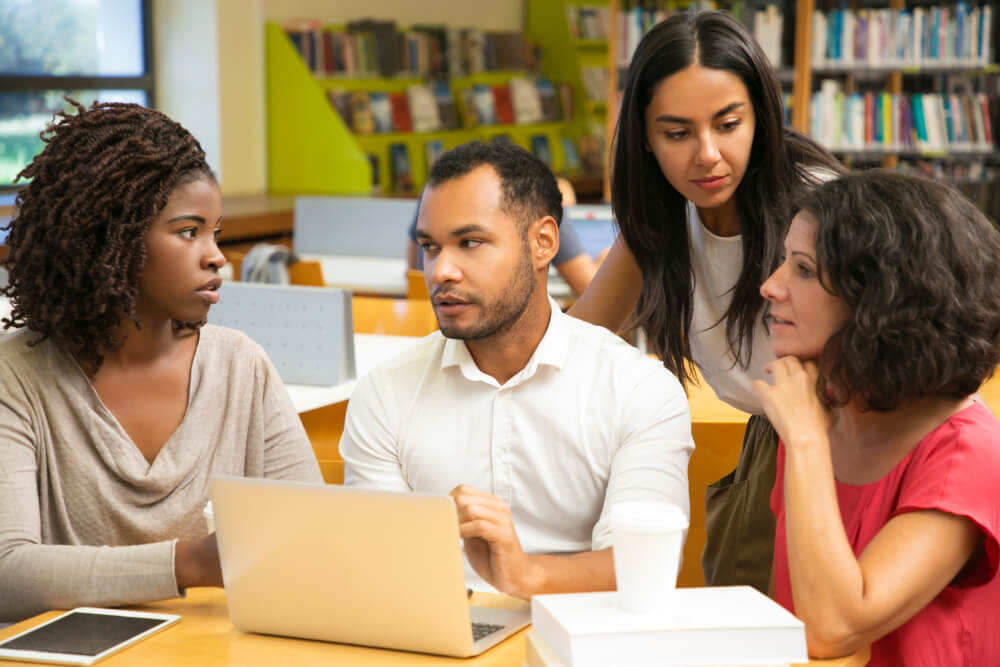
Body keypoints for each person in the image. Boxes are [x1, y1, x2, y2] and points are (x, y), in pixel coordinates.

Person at [0, 100, 322, 623]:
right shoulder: (15, 378)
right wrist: (191, 561)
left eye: (215, 232)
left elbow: (312, 535)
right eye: (188, 231)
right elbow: (8, 574)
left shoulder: (242, 365)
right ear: (113, 238)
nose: (216, 255)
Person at [566, 9, 846, 592]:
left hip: (854, 443)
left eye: (728, 124)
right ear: (643, 137)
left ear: (761, 120)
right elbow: (576, 344)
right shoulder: (660, 221)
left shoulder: (821, 208)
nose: (708, 155)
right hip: (771, 439)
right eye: (677, 133)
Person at [340, 141, 692, 599]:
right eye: (430, 247)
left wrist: (524, 574)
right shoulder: (385, 391)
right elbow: (374, 564)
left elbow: (645, 566)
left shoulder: (638, 390)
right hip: (433, 642)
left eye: (470, 243)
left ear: (542, 243)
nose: (440, 270)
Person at [755, 171, 1000, 665]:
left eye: (802, 269)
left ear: (881, 298)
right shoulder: (822, 407)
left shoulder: (969, 454)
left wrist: (804, 440)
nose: (769, 286)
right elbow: (791, 618)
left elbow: (831, 628)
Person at [406, 176, 600, 296]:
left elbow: (413, 268)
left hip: (431, 326)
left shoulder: (435, 194)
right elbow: (591, 292)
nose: (441, 273)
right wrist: (603, 265)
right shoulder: (540, 202)